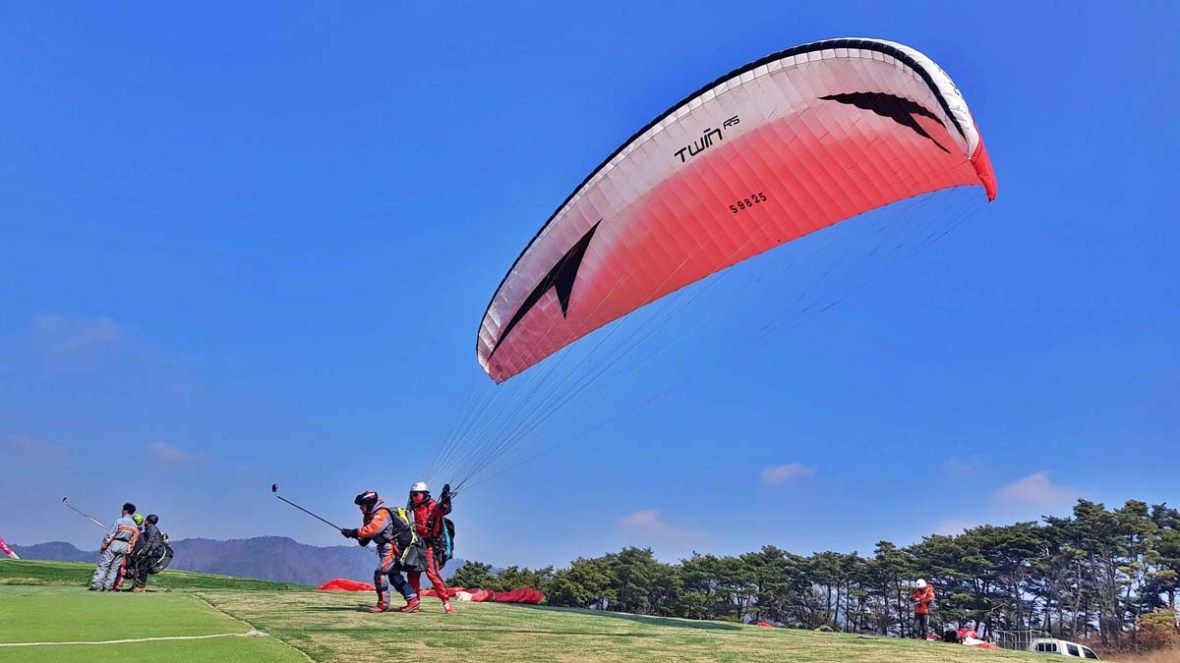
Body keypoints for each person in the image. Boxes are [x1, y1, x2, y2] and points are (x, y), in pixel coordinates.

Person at [341, 490, 419, 613]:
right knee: (394, 577)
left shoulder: (381, 513)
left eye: (362, 505)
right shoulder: (369, 516)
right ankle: (413, 601)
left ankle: (383, 604)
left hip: (391, 548)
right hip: (384, 548)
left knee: (380, 573)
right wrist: (357, 537)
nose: (360, 508)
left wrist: (354, 532)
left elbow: (372, 530)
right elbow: (366, 536)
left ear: (369, 504)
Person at [407, 481, 453, 614]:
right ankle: (414, 603)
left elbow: (445, 509)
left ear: (424, 494)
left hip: (430, 545)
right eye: (412, 495)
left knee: (432, 574)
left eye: (416, 494)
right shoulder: (414, 507)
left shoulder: (433, 506)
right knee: (413, 572)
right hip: (417, 544)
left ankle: (446, 602)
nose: (414, 497)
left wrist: (446, 496)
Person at [89, 503, 139, 591]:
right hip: (125, 545)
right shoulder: (134, 525)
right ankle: (108, 586)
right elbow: (132, 540)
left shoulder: (119, 521)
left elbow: (110, 535)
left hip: (115, 542)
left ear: (125, 510)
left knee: (104, 565)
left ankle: (96, 585)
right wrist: (128, 550)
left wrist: (104, 546)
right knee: (114, 568)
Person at [131, 514, 166, 593]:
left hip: (151, 552)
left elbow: (150, 541)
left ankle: (141, 587)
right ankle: (136, 585)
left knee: (143, 569)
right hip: (149, 551)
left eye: (146, 520)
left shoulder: (152, 529)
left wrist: (144, 551)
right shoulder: (149, 528)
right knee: (139, 568)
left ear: (148, 521)